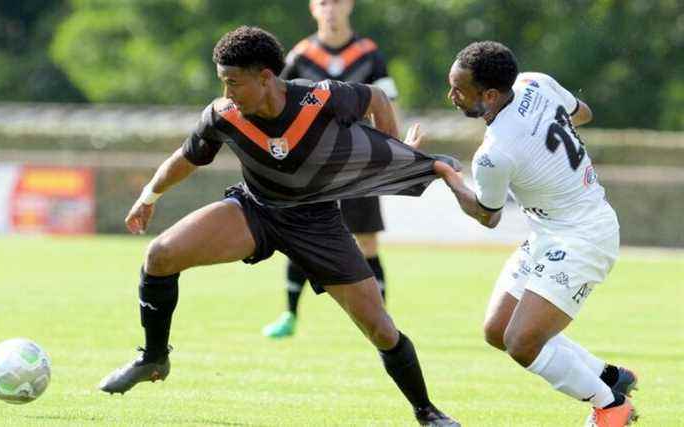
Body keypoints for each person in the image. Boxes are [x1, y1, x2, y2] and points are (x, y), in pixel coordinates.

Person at [98, 26, 460, 426]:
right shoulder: (224, 115)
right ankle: (153, 358)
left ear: (265, 77)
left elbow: (375, 97)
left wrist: (390, 152)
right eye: (223, 82)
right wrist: (148, 197)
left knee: (380, 329)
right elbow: (187, 157)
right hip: (255, 211)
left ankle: (426, 412)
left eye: (233, 82)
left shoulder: (322, 97)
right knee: (161, 255)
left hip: (317, 222)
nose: (227, 93)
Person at [431, 41, 638, 427]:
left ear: (490, 95)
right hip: (550, 230)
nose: (452, 96)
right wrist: (542, 137)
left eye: (460, 89)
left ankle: (611, 406)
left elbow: (486, 216)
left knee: (522, 344)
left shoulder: (493, 154)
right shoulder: (535, 82)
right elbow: (584, 114)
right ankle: (610, 376)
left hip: (583, 236)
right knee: (497, 330)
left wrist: (448, 177)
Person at [262, 0, 401, 339]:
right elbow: (275, 103)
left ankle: (381, 322)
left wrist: (394, 148)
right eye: (323, 2)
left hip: (359, 163)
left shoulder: (369, 53)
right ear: (313, 9)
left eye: (336, 1)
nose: (330, 9)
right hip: (310, 166)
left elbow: (389, 103)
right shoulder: (300, 55)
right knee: (298, 237)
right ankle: (289, 315)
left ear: (349, 6)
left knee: (367, 241)